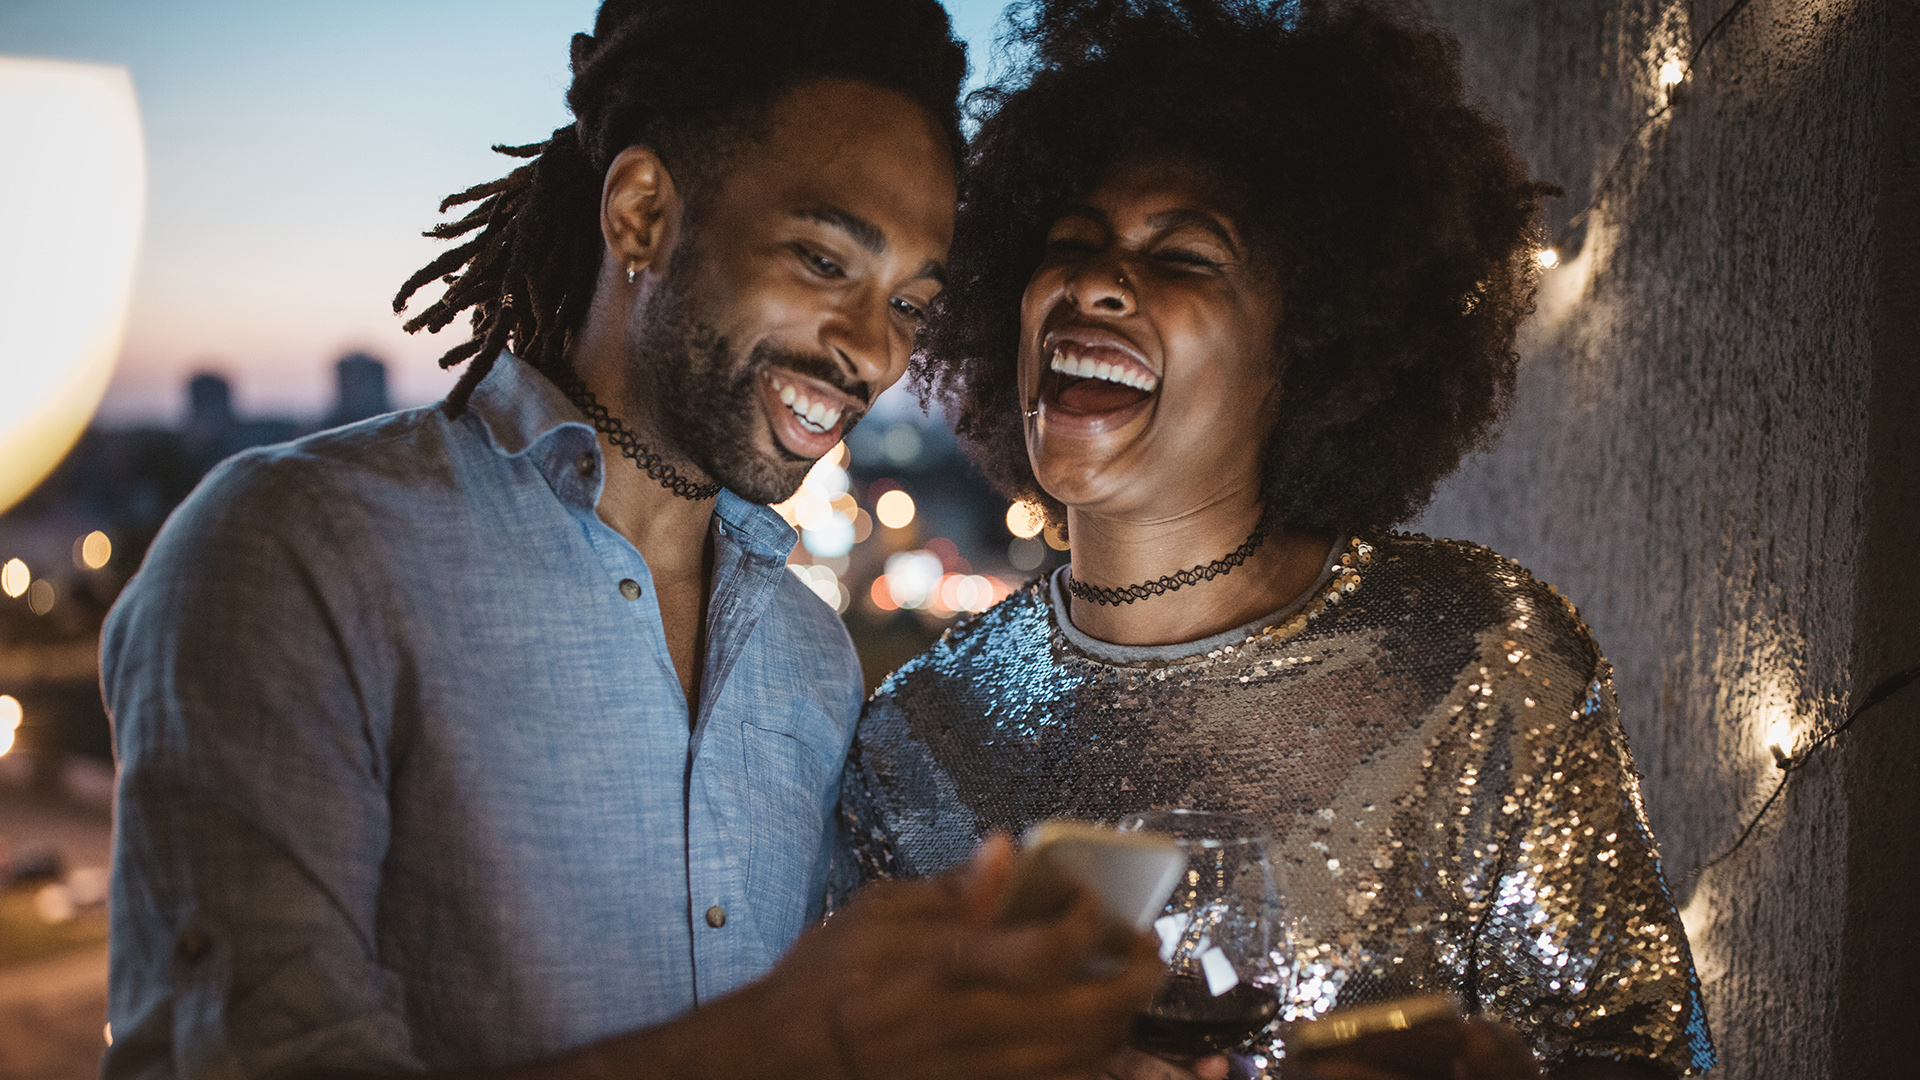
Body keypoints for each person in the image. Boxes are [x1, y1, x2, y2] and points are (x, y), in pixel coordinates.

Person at [99, 2, 1166, 1078]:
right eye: (822, 260)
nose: (870, 352)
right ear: (644, 213)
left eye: (908, 307)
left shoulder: (809, 659)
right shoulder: (297, 550)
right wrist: (799, 1042)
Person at [839, 2, 1717, 1078]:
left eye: (1186, 256)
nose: (1095, 281)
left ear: (1306, 348)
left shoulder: (1482, 658)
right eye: (1070, 243)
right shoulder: (916, 736)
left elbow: (1638, 1055)